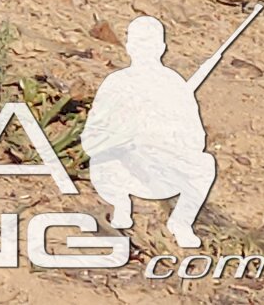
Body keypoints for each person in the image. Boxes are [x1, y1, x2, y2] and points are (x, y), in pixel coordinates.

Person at [85, 13, 219, 250]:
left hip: (160, 169)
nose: (144, 49)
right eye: (139, 43)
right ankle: (120, 206)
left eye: (150, 44)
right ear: (129, 47)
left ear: (161, 47)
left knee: (205, 164)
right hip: (120, 167)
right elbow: (91, 135)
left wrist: (167, 137)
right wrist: (124, 136)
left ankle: (181, 223)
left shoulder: (174, 85)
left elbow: (196, 138)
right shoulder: (116, 83)